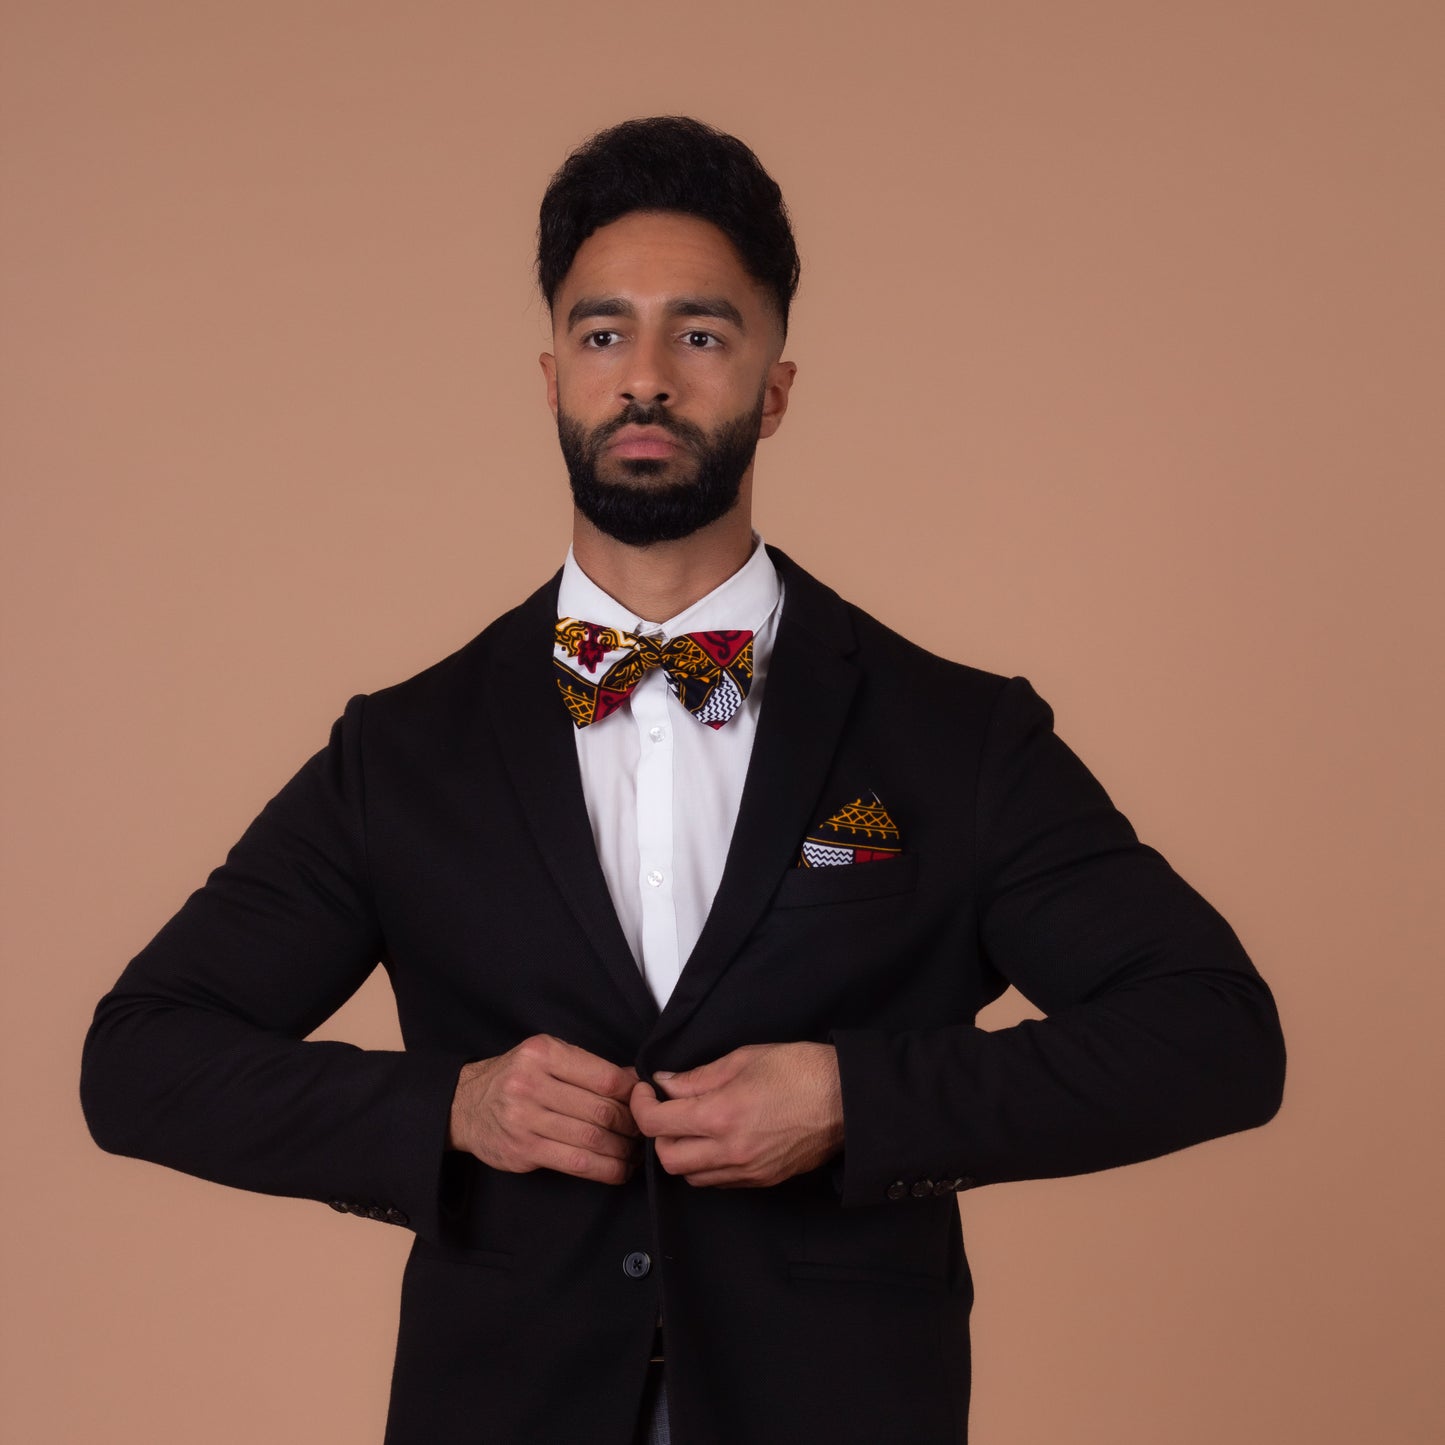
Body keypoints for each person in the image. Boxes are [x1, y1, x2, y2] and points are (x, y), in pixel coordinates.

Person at [81, 116, 1286, 1445]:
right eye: (604, 335)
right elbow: (141, 1059)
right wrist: (453, 1107)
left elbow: (1212, 1034)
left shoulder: (957, 736)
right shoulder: (404, 748)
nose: (645, 376)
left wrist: (856, 1101)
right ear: (551, 378)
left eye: (699, 335)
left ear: (772, 387)